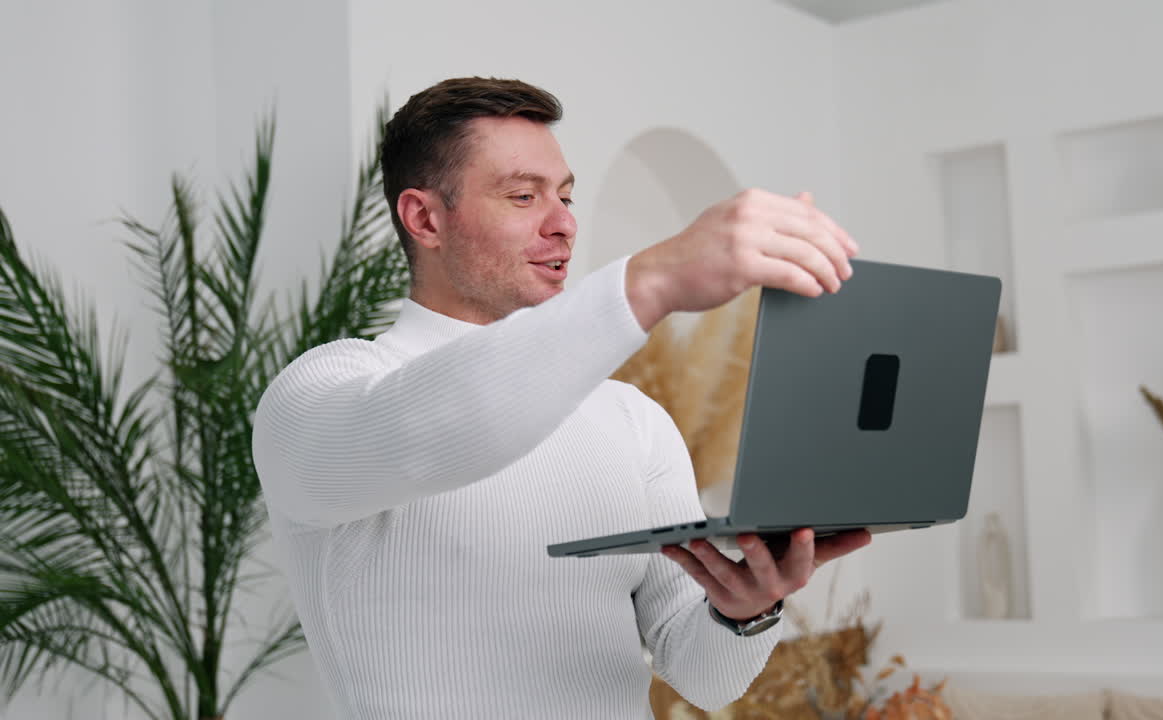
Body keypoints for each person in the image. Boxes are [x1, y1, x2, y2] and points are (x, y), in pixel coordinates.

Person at [251, 76, 872, 719]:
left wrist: (742, 611)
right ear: (425, 218)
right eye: (523, 196)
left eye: (566, 196)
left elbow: (704, 678)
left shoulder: (633, 420)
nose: (564, 225)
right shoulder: (321, 393)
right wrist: (652, 281)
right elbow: (440, 430)